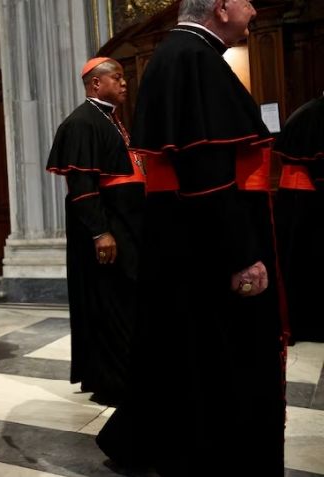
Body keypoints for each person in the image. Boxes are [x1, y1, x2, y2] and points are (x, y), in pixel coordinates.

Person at [96, 1, 285, 475]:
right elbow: (208, 171)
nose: (255, 10)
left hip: (183, 238)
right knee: (215, 359)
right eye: (245, 1)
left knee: (180, 352)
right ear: (220, 7)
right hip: (209, 248)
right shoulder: (194, 58)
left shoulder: (177, 53)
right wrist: (244, 255)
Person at [45, 58, 144, 406]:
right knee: (109, 303)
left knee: (122, 301)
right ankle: (112, 382)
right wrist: (101, 232)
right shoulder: (82, 122)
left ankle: (124, 374)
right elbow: (82, 184)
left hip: (124, 224)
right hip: (107, 228)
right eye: (117, 78)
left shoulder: (111, 119)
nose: (124, 83)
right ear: (95, 84)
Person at [274, 94, 324, 343]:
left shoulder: (304, 110)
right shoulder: (318, 113)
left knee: (293, 264)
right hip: (310, 203)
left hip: (289, 199)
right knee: (311, 265)